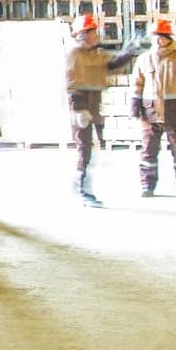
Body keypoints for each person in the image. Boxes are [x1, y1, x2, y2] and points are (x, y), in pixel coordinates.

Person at [65, 14, 143, 208]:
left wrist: (130, 51)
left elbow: (111, 65)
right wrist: (78, 109)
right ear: (82, 35)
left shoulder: (96, 54)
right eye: (91, 32)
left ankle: (80, 185)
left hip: (94, 102)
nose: (95, 35)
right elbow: (71, 82)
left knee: (92, 148)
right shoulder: (75, 54)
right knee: (85, 149)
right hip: (81, 103)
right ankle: (82, 189)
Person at [130, 19, 176, 198]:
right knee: (148, 151)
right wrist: (134, 106)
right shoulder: (143, 59)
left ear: (168, 38)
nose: (157, 41)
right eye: (154, 37)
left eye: (161, 37)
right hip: (150, 113)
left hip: (175, 113)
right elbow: (137, 84)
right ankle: (147, 186)